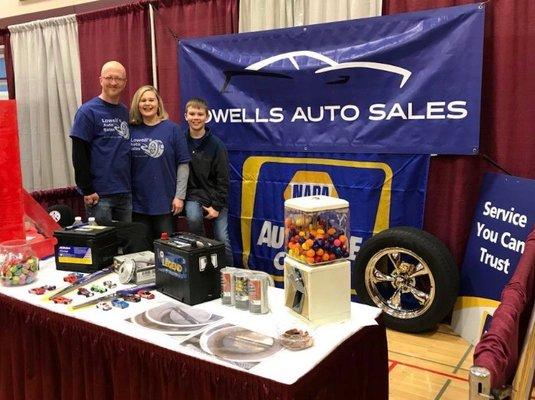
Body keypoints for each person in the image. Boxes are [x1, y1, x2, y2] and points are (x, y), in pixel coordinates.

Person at [70, 60, 132, 224]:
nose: (113, 82)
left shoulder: (125, 111)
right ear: (101, 80)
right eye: (109, 77)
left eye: (118, 79)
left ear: (124, 82)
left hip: (124, 193)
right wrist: (87, 189)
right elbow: (79, 153)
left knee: (127, 246)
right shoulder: (87, 111)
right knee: (103, 246)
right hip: (99, 195)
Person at [129, 85, 190, 241]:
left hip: (166, 202)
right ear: (137, 104)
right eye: (143, 100)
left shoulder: (173, 129)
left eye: (151, 100)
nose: (147, 104)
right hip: (137, 204)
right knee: (142, 251)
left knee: (166, 251)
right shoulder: (131, 130)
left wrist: (179, 196)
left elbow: (183, 165)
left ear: (158, 103)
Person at [184, 98, 232, 265]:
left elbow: (223, 179)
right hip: (193, 196)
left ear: (207, 117)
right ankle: (204, 265)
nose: (196, 117)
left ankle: (229, 277)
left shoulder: (217, 145)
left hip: (216, 197)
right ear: (186, 116)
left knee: (222, 238)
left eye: (200, 114)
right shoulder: (180, 142)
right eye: (192, 114)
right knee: (194, 218)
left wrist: (217, 207)